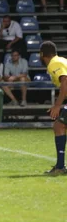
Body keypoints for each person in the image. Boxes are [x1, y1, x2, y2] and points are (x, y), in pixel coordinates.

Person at [40, 41, 67, 175]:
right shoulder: (61, 60)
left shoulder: (53, 64)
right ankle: (60, 166)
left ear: (42, 54)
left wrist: (57, 105)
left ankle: (60, 167)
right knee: (59, 126)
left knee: (59, 125)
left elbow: (65, 81)